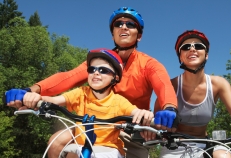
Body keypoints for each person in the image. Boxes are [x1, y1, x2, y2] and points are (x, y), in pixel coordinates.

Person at [5, 7, 179, 158]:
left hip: (130, 129)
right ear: (113, 34)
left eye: (130, 24)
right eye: (118, 24)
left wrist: (169, 108)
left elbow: (163, 86)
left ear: (139, 35)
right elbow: (68, 77)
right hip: (93, 123)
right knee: (57, 142)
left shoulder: (149, 64)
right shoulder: (101, 63)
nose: (123, 27)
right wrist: (29, 91)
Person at [154, 30, 231, 158]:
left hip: (207, 143)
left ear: (206, 55)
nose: (192, 49)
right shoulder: (170, 85)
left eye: (198, 46)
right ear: (180, 57)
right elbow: (155, 121)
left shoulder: (218, 84)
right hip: (175, 145)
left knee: (223, 156)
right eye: (186, 47)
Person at [19, 48, 154, 158]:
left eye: (103, 70)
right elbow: (55, 100)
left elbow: (135, 112)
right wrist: (35, 97)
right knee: (68, 152)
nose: (96, 73)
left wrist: (143, 114)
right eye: (92, 69)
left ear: (115, 77)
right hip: (81, 147)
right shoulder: (81, 93)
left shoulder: (118, 101)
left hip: (108, 150)